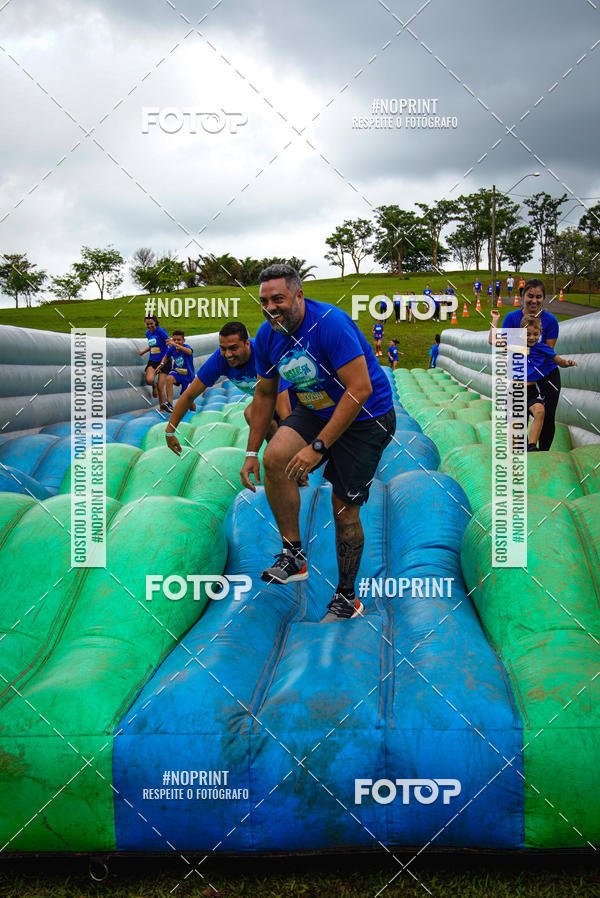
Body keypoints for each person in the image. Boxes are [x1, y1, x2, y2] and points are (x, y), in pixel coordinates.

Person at [240, 263, 395, 622]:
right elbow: (264, 394)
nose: (270, 307)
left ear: (299, 295)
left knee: (343, 508)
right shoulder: (266, 336)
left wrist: (318, 448)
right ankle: (293, 554)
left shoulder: (330, 324)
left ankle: (346, 598)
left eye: (278, 298)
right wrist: (252, 451)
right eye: (264, 300)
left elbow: (360, 389)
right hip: (316, 408)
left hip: (366, 417)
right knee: (274, 458)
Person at [164, 321, 294, 454]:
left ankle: (287, 454)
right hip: (268, 399)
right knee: (253, 415)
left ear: (247, 343)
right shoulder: (219, 359)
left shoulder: (263, 354)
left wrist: (292, 447)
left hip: (293, 396)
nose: (228, 354)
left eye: (233, 348)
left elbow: (285, 410)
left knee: (283, 429)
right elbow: (189, 395)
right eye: (223, 348)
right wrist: (169, 432)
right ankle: (278, 453)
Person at [489, 313, 577, 451]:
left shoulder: (543, 348)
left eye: (535, 334)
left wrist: (567, 363)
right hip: (516, 390)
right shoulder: (516, 345)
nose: (531, 337)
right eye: (528, 334)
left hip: (531, 390)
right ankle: (518, 447)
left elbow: (559, 361)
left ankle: (532, 446)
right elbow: (492, 340)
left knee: (540, 411)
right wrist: (495, 319)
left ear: (540, 333)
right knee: (517, 426)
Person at [499, 278, 561, 450]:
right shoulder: (512, 318)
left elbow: (548, 352)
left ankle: (541, 452)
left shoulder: (551, 321)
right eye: (530, 296)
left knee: (546, 415)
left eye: (539, 297)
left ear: (543, 298)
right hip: (521, 374)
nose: (534, 300)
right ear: (522, 296)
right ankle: (521, 448)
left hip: (547, 374)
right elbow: (505, 347)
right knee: (519, 413)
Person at [156, 330, 195, 413]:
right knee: (169, 378)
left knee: (187, 399)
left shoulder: (186, 347)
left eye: (179, 340)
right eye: (174, 340)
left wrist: (176, 345)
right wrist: (161, 364)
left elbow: (189, 352)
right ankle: (170, 404)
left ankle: (193, 412)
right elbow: (166, 356)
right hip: (177, 372)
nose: (176, 342)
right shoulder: (171, 349)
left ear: (183, 340)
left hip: (187, 376)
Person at [139, 315, 170, 408]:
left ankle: (162, 408)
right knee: (149, 380)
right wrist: (143, 352)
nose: (149, 326)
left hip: (163, 361)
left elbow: (168, 342)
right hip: (152, 361)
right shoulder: (147, 333)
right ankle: (153, 386)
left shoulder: (160, 331)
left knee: (161, 387)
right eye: (147, 324)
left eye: (151, 323)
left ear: (155, 322)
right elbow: (152, 345)